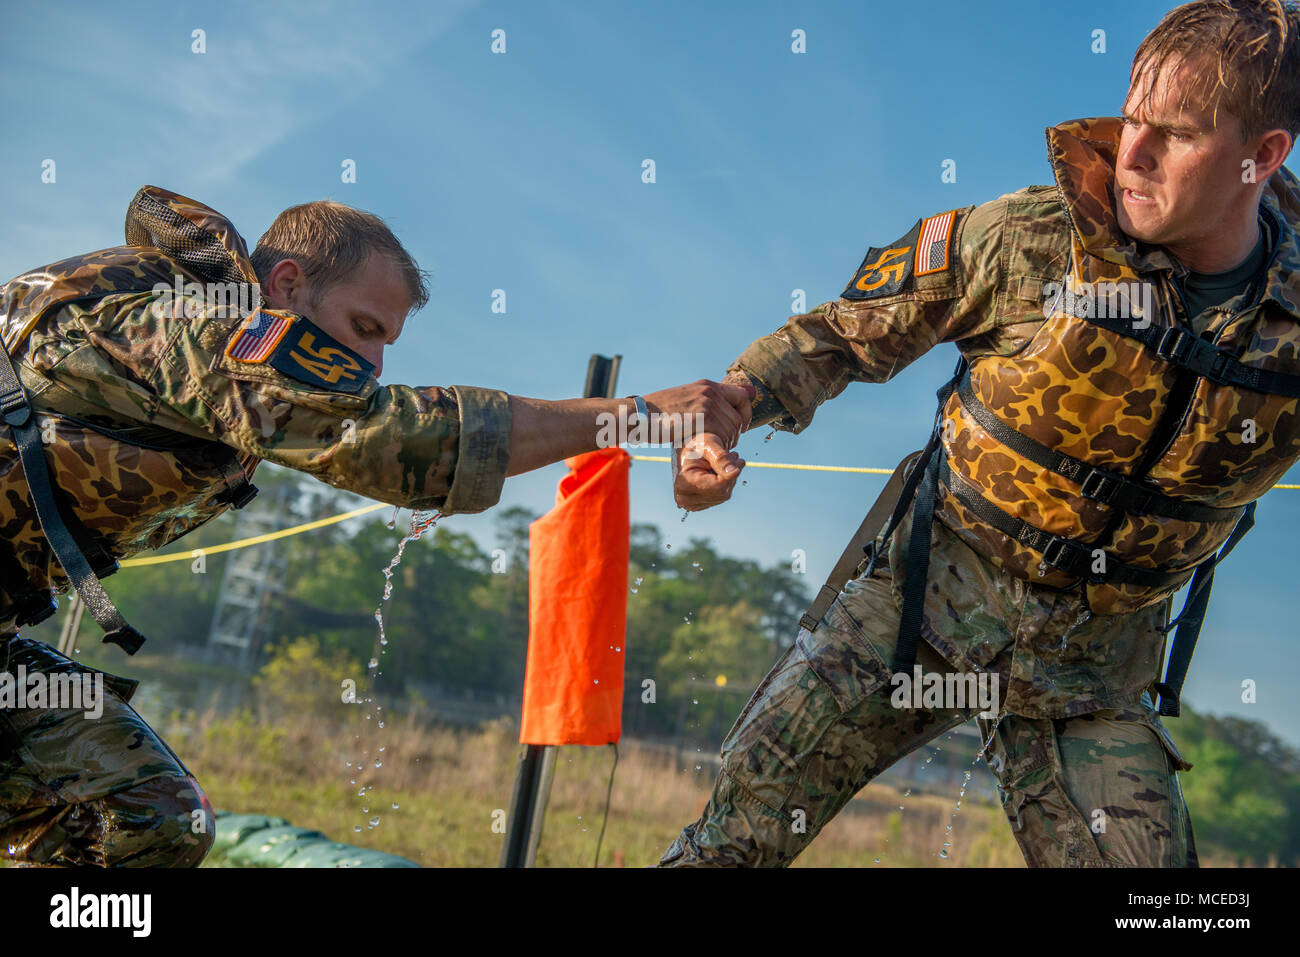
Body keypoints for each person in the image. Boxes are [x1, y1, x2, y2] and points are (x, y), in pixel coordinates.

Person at [660, 0, 1299, 867]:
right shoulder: (1027, 242)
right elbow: (840, 334)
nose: (1133, 155)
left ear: (1263, 156)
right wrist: (732, 407)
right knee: (731, 843)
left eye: (1176, 134)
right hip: (920, 608)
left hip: (1093, 674)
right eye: (1132, 117)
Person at [0, 185, 752, 866]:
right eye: (363, 326)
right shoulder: (187, 329)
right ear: (288, 283)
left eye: (385, 341)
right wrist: (645, 416)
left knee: (157, 816)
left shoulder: (219, 362)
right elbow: (395, 441)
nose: (372, 362)